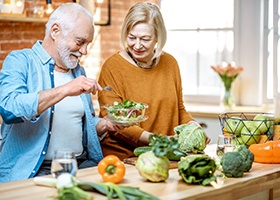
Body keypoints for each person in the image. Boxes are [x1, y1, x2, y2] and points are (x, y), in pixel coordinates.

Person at [0, 3, 121, 183]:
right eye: (80, 42)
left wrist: (104, 124)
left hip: (82, 165)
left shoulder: (78, 71)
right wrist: (65, 90)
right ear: (55, 31)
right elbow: (9, 109)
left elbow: (75, 124)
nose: (85, 51)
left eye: (88, 44)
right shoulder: (20, 61)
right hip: (36, 171)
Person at [98, 2, 211, 161]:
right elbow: (114, 123)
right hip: (124, 158)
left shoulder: (170, 63)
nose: (137, 45)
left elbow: (179, 109)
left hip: (164, 155)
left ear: (158, 37)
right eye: (131, 37)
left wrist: (193, 127)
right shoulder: (112, 67)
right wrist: (158, 140)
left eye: (145, 39)